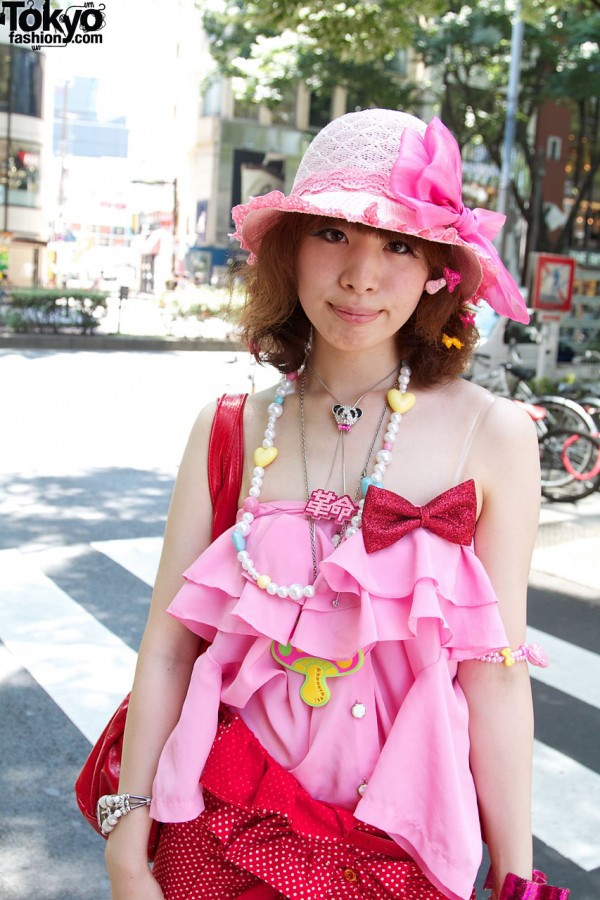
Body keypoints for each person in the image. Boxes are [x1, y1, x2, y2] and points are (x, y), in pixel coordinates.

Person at [103, 109, 569, 900]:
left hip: (402, 849)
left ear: (438, 270)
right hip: (219, 829)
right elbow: (168, 650)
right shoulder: (232, 428)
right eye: (332, 234)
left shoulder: (491, 436)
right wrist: (127, 845)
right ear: (289, 252)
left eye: (398, 243)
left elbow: (496, 677)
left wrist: (517, 875)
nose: (360, 274)